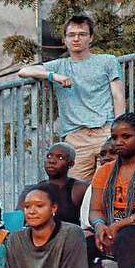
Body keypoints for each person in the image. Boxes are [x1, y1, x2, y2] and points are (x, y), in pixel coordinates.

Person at [19, 14, 125, 182]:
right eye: (71, 35)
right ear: (65, 39)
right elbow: (23, 71)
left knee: (108, 188)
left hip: (105, 132)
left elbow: (118, 96)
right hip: (76, 138)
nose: (76, 39)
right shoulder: (59, 65)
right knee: (76, 193)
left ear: (91, 38)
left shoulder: (107, 61)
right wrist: (54, 76)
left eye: (82, 34)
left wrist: (117, 134)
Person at [87, 111, 135, 268]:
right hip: (111, 227)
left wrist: (118, 226)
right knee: (78, 240)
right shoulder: (104, 171)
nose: (118, 142)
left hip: (130, 229)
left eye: (126, 136)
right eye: (114, 137)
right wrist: (100, 226)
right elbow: (95, 210)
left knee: (126, 237)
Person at [39, 142, 88, 227]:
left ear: (71, 164)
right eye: (49, 156)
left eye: (60, 157)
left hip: (70, 238)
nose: (52, 161)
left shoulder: (80, 189)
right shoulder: (33, 190)